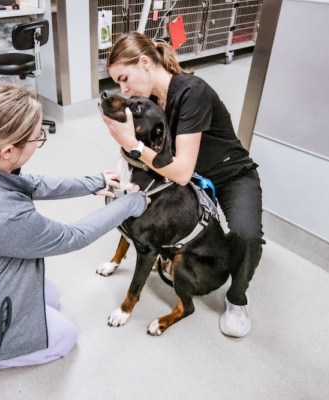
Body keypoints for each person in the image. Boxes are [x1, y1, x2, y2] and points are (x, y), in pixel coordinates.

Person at [0, 83, 149, 399]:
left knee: (50, 295)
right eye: (37, 137)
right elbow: (72, 236)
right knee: (64, 338)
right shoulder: (1, 216)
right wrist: (132, 203)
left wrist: (94, 183)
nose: (38, 141)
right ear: (7, 150)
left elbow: (28, 183)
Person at [101, 32, 265, 339]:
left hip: (228, 175)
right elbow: (153, 154)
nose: (123, 89)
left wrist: (132, 147)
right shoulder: (150, 100)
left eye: (124, 79)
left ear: (145, 63)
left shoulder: (193, 91)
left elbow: (179, 170)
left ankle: (237, 299)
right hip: (186, 177)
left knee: (246, 235)